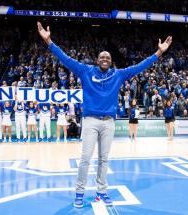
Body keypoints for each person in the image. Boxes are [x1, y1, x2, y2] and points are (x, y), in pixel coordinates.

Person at [37, 22, 172, 207]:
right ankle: (80, 192)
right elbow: (66, 59)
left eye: (107, 57)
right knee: (85, 159)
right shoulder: (86, 71)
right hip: (90, 120)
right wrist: (49, 41)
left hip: (109, 122)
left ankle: (101, 191)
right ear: (97, 59)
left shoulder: (118, 74)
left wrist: (159, 53)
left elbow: (140, 66)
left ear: (111, 61)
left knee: (104, 159)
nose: (105, 59)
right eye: (102, 57)